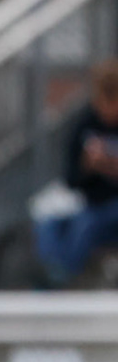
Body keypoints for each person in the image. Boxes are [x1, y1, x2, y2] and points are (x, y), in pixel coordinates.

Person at [35, 61, 118, 285]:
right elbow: (71, 179)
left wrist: (110, 164)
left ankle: (63, 277)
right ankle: (55, 274)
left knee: (87, 224)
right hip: (91, 201)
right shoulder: (86, 125)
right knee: (49, 222)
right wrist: (88, 166)